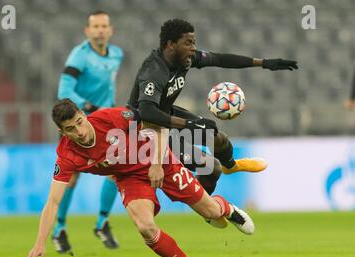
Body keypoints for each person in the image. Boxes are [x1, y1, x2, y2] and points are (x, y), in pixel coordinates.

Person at [25, 99, 254, 257]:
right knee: (145, 227)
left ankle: (226, 208)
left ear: (84, 116)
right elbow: (53, 202)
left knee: (212, 212)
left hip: (161, 161)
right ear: (62, 132)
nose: (79, 131)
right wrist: (39, 242)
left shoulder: (111, 118)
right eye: (70, 129)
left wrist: (156, 164)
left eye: (79, 122)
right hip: (130, 179)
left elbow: (158, 124)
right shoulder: (66, 155)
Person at [127, 18, 299, 193]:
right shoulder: (154, 70)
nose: (193, 48)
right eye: (188, 43)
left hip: (165, 116)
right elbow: (146, 111)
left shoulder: (185, 59)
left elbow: (219, 59)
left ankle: (231, 166)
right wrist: (187, 124)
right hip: (144, 131)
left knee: (218, 138)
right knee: (211, 167)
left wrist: (264, 63)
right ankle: (207, 210)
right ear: (171, 44)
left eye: (194, 43)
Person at [53, 11, 124, 253]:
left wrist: (110, 110)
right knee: (71, 176)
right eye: (96, 27)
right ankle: (59, 228)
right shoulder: (79, 56)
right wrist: (88, 108)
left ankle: (102, 222)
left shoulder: (116, 54)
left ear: (110, 30)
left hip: (105, 124)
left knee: (116, 170)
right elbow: (64, 90)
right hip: (79, 121)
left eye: (104, 26)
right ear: (87, 31)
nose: (101, 30)